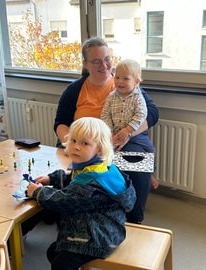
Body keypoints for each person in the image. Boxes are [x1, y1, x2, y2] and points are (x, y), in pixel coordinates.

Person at [53, 37, 159, 224]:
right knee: (65, 162)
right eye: (96, 61)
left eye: (107, 59)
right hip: (84, 142)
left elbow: (152, 113)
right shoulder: (74, 90)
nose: (104, 65)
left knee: (135, 159)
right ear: (85, 64)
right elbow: (61, 122)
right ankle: (64, 210)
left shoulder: (126, 83)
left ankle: (133, 220)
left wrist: (127, 132)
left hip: (122, 139)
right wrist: (71, 141)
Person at [26, 117, 136, 270]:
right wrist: (52, 178)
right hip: (105, 228)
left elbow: (65, 201)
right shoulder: (97, 167)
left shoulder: (91, 182)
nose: (76, 147)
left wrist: (38, 192)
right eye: (73, 141)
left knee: (60, 264)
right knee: (54, 252)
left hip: (98, 238)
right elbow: (73, 179)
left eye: (85, 143)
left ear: (99, 149)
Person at [100, 59, 159, 190]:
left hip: (135, 134)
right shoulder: (111, 97)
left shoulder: (138, 97)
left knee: (150, 151)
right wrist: (110, 131)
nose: (120, 81)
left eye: (125, 79)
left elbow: (141, 114)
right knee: (107, 153)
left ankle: (150, 174)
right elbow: (105, 114)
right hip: (114, 133)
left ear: (136, 82)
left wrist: (128, 130)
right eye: (117, 77)